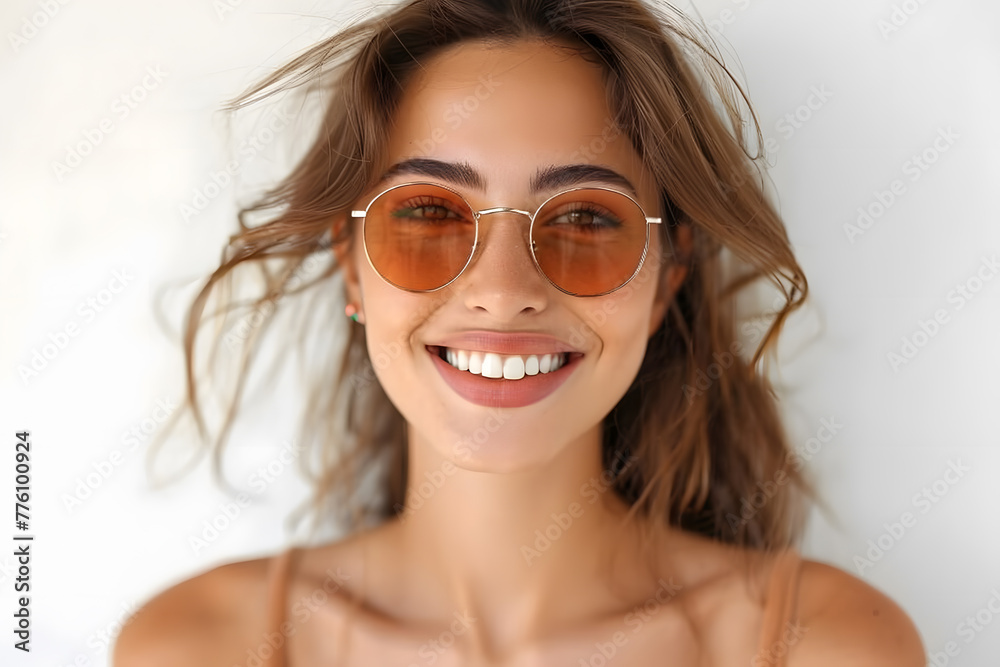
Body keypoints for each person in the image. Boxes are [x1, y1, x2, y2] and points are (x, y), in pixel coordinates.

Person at [114, 0, 926, 664]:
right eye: (429, 213)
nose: (502, 293)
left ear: (666, 277)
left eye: (582, 219)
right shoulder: (194, 646)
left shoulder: (828, 645)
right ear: (352, 266)